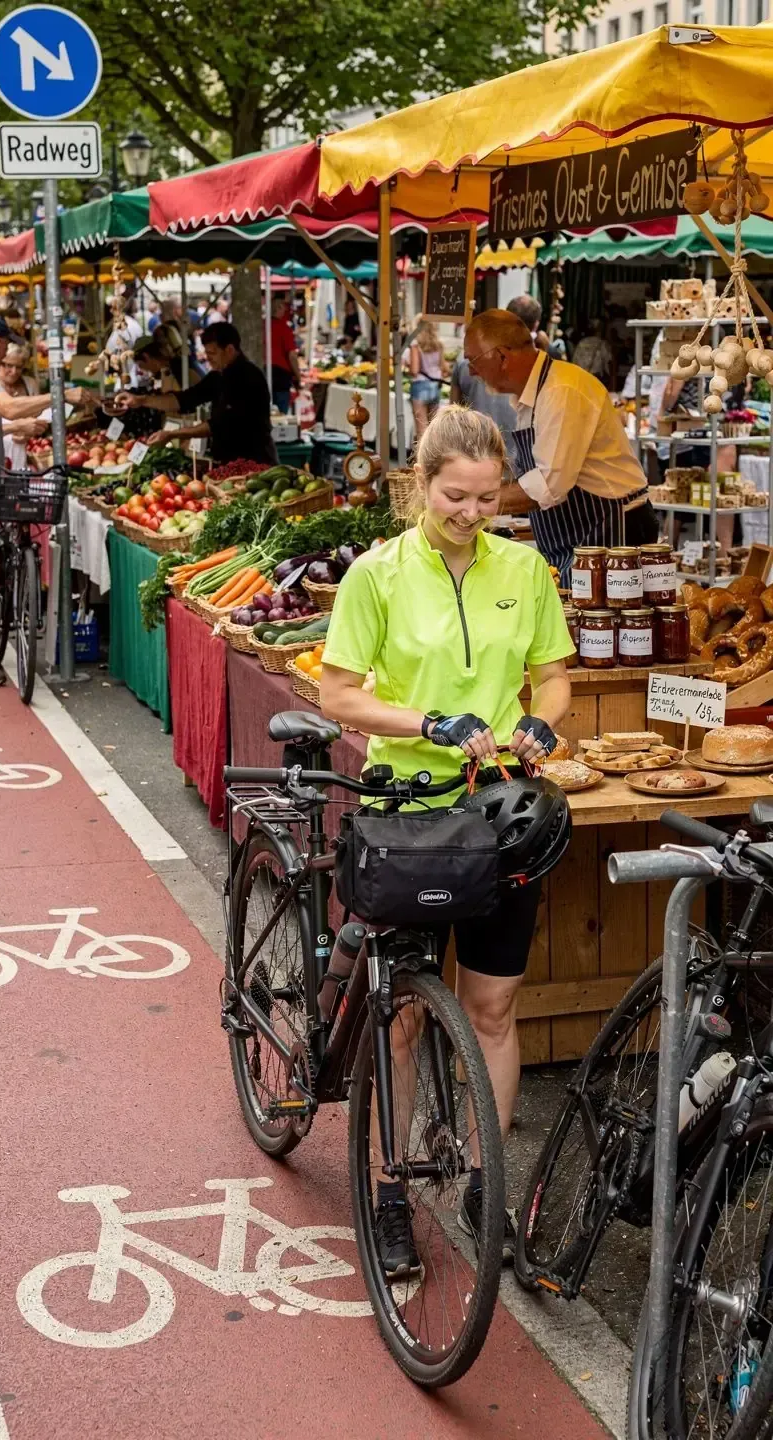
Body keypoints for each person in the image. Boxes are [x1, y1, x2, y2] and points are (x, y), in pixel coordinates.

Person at [320, 405, 573, 1271]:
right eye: (455, 497)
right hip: (409, 817)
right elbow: (339, 695)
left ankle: (482, 1180)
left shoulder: (525, 567)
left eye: (488, 497)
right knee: (396, 1020)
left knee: (493, 1008)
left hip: (501, 810)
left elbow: (555, 676)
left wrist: (541, 727)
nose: (473, 513)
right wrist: (428, 721)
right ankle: (390, 1190)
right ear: (419, 486)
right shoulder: (376, 575)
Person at [463, 310, 658, 583]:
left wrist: (474, 499)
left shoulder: (561, 391)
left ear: (502, 357)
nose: (470, 371)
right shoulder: (536, 393)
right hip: (581, 536)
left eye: (473, 360)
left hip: (612, 533)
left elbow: (548, 484)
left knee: (601, 624)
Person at [0, 316, 86, 687]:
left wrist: (17, 428)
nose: (5, 359)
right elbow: (10, 409)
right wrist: (62, 395)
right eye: (5, 348)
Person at [116, 321, 276, 463]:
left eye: (212, 353)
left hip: (254, 460)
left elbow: (219, 425)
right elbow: (185, 400)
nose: (208, 358)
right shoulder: (218, 376)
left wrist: (173, 434)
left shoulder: (248, 377)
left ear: (229, 349)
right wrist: (141, 400)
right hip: (228, 459)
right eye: (206, 353)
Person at [0, 344, 45, 471]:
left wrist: (31, 432)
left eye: (19, 367)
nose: (14, 372)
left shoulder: (30, 384)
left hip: (22, 453)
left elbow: (40, 417)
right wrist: (14, 429)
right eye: (9, 365)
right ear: (0, 363)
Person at [407, 318, 447, 438]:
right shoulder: (438, 344)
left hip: (420, 387)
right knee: (433, 429)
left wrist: (408, 367)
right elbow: (444, 368)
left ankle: (422, 457)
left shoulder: (416, 345)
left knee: (422, 431)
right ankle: (434, 456)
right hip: (435, 386)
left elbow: (415, 370)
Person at [269, 297, 301, 414]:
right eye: (284, 308)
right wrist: (298, 376)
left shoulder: (263, 325)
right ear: (278, 309)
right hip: (280, 375)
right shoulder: (284, 328)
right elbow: (292, 356)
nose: (285, 311)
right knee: (281, 413)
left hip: (264, 371)